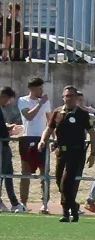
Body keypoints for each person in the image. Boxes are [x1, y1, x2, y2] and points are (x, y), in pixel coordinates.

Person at [38, 86, 95, 223]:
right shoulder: (58, 112)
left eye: (71, 96)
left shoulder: (83, 114)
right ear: (63, 97)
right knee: (59, 181)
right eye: (66, 96)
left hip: (76, 152)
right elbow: (49, 128)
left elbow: (92, 133)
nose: (68, 98)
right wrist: (43, 140)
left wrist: (93, 153)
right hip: (61, 152)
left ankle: (65, 212)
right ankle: (73, 207)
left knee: (66, 182)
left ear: (76, 98)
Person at [0, 86, 27, 213]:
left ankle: (14, 202)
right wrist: (11, 132)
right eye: (8, 100)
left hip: (2, 146)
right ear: (3, 96)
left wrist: (8, 127)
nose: (8, 103)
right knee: (1, 175)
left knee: (8, 174)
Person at [17, 77, 51, 213]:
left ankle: (45, 204)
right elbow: (29, 116)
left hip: (42, 139)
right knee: (25, 173)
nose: (41, 91)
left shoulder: (45, 101)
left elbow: (50, 120)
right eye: (39, 88)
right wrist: (40, 103)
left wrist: (54, 138)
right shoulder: (22, 100)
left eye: (42, 88)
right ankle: (23, 203)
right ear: (32, 89)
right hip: (27, 138)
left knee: (45, 173)